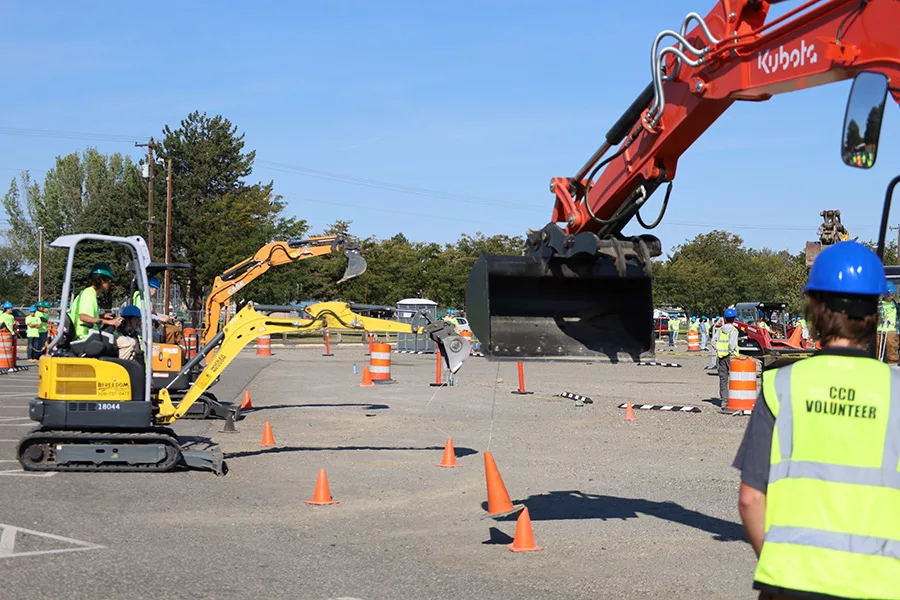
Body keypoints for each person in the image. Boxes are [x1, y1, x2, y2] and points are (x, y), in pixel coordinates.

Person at [733, 241, 899, 599]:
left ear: (815, 310)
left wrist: (779, 570)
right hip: (880, 586)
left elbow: (750, 499)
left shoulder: (783, 385)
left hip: (792, 582)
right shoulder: (897, 393)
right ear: (875, 313)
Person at [69, 263, 121, 340]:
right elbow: (83, 317)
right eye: (108, 280)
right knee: (128, 343)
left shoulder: (90, 293)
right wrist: (111, 322)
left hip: (89, 333)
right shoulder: (89, 293)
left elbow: (87, 316)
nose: (110, 283)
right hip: (85, 336)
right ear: (100, 280)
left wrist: (102, 316)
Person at [717, 308, 740, 407]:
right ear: (734, 319)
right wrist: (732, 352)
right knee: (735, 378)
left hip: (721, 357)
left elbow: (713, 341)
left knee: (723, 379)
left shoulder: (720, 330)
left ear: (725, 319)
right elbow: (732, 344)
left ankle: (724, 401)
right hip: (731, 357)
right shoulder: (734, 330)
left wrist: (719, 350)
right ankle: (735, 399)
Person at [877, 280, 899, 363]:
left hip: (892, 330)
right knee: (878, 349)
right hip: (880, 330)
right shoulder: (879, 304)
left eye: (893, 293)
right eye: (889, 293)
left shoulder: (896, 305)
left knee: (892, 349)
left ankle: (893, 366)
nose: (891, 295)